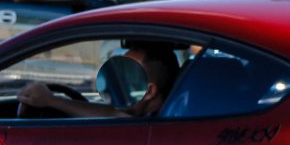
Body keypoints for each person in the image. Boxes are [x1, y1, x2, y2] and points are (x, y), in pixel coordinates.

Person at [18, 44, 178, 118]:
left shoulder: (162, 126)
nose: (115, 80)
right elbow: (112, 114)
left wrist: (52, 101)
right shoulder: (148, 115)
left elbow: (115, 116)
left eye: (126, 74)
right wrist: (52, 101)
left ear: (149, 91)